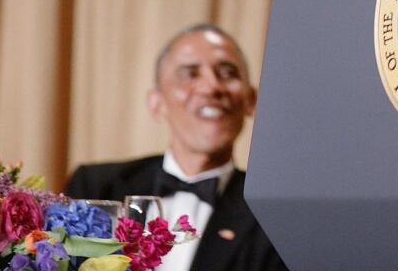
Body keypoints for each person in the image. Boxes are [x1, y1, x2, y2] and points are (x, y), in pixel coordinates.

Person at [65, 24, 289, 271]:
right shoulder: (95, 186)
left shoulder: (274, 216)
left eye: (227, 72)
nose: (211, 87)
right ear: (156, 104)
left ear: (251, 100)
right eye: (190, 73)